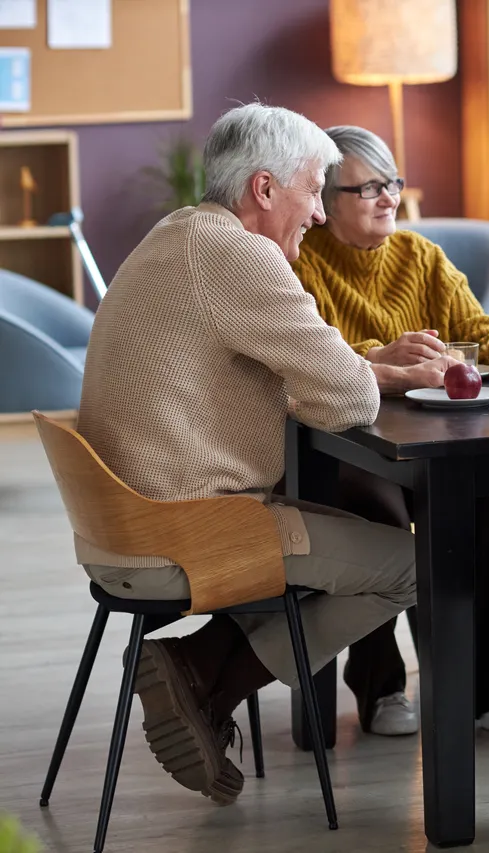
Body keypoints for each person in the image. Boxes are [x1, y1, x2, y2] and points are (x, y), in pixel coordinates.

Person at [77, 103, 419, 805]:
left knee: (328, 527)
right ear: (265, 190)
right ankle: (204, 674)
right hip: (192, 532)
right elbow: (351, 401)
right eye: (315, 189)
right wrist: (357, 376)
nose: (320, 214)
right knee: (411, 567)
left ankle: (200, 672)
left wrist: (353, 373)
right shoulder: (241, 254)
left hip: (119, 527)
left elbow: (280, 379)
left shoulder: (179, 233)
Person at [289, 125, 489, 744]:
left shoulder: (422, 257)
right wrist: (383, 357)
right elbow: (313, 360)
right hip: (348, 442)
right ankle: (380, 685)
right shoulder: (299, 264)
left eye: (389, 182)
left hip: (436, 436)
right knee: (373, 511)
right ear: (326, 198)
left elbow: (475, 324)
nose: (387, 196)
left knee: (488, 502)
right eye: (366, 187)